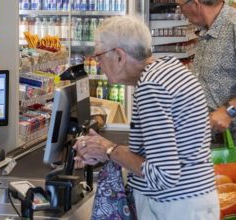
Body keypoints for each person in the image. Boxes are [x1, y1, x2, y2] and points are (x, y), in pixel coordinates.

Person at [73, 16, 219, 220]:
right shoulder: (170, 70)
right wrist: (106, 153)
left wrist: (109, 149)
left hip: (173, 207)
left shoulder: (152, 88)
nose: (97, 63)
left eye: (99, 55)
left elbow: (163, 175)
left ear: (119, 55)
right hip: (192, 201)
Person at [176, 0, 236, 135]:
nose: (180, 12)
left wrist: (228, 111)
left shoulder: (233, 25)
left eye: (180, 6)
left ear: (195, 4)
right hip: (209, 140)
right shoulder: (206, 29)